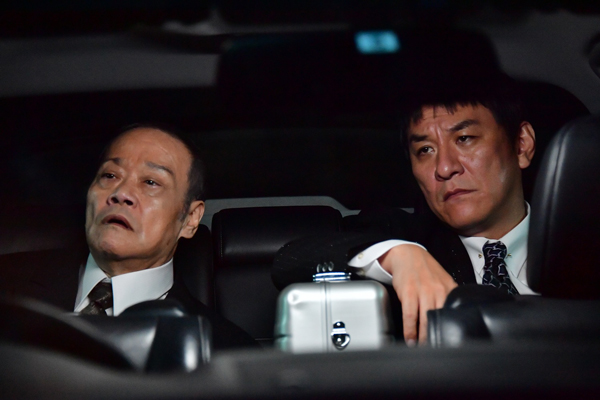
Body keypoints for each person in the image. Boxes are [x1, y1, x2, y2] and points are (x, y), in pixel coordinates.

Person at [273, 74, 537, 346]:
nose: (445, 167)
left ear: (521, 144)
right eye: (425, 150)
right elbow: (291, 259)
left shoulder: (567, 245)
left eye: (464, 138)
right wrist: (398, 256)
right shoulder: (405, 236)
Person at [0, 124, 256, 349]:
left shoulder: (225, 351)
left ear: (190, 218)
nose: (121, 193)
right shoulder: (7, 286)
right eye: (110, 175)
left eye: (151, 182)